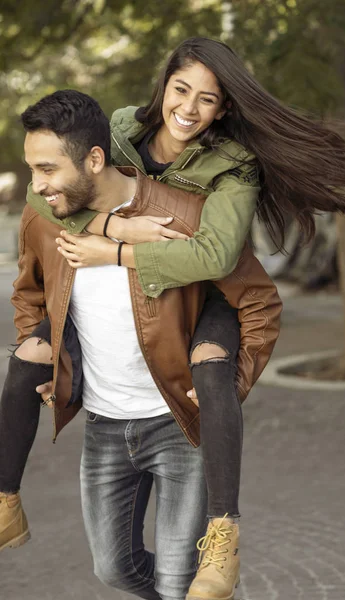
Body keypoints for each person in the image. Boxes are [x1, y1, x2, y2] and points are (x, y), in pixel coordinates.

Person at [2, 35, 345, 599]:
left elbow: (219, 259)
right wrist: (113, 229)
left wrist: (122, 252)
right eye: (180, 89)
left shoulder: (232, 164)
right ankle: (6, 497)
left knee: (212, 364)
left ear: (223, 108)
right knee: (115, 570)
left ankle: (225, 531)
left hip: (204, 293)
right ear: (162, 86)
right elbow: (45, 202)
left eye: (208, 99)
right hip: (108, 416)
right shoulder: (120, 131)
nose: (189, 109)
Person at [1, 87, 281, 600]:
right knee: (114, 569)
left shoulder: (181, 216)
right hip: (105, 427)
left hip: (177, 425)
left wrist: (233, 382)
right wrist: (45, 357)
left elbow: (259, 300)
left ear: (94, 158)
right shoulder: (45, 214)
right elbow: (30, 293)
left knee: (179, 584)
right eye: (32, 169)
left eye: (47, 169)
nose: (37, 186)